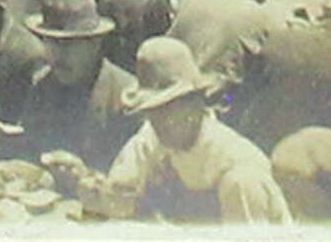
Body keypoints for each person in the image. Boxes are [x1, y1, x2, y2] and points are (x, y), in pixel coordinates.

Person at [59, 35, 292, 223]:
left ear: (196, 103)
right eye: (151, 110)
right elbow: (120, 198)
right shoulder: (153, 138)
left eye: (167, 108)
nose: (158, 120)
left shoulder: (239, 175)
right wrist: (93, 189)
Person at [7, 0, 138, 167]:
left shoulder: (126, 97)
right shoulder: (42, 84)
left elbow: (136, 184)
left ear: (95, 43)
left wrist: (85, 176)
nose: (59, 54)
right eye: (52, 42)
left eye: (70, 44)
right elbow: (29, 148)